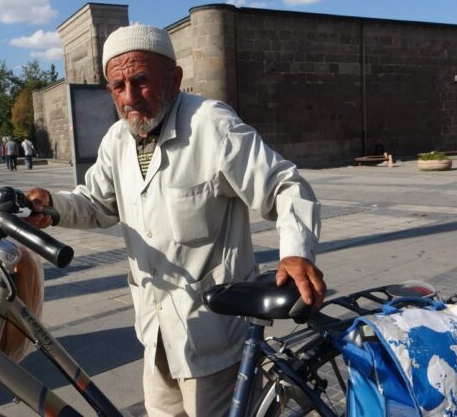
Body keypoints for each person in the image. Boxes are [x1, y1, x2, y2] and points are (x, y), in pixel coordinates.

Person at [26, 24, 325, 416]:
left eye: (141, 81)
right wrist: (51, 205)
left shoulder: (211, 125)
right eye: (118, 86)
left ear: (175, 78)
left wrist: (296, 253)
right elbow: (98, 203)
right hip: (157, 335)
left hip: (214, 338)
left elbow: (284, 185)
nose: (130, 97)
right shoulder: (117, 140)